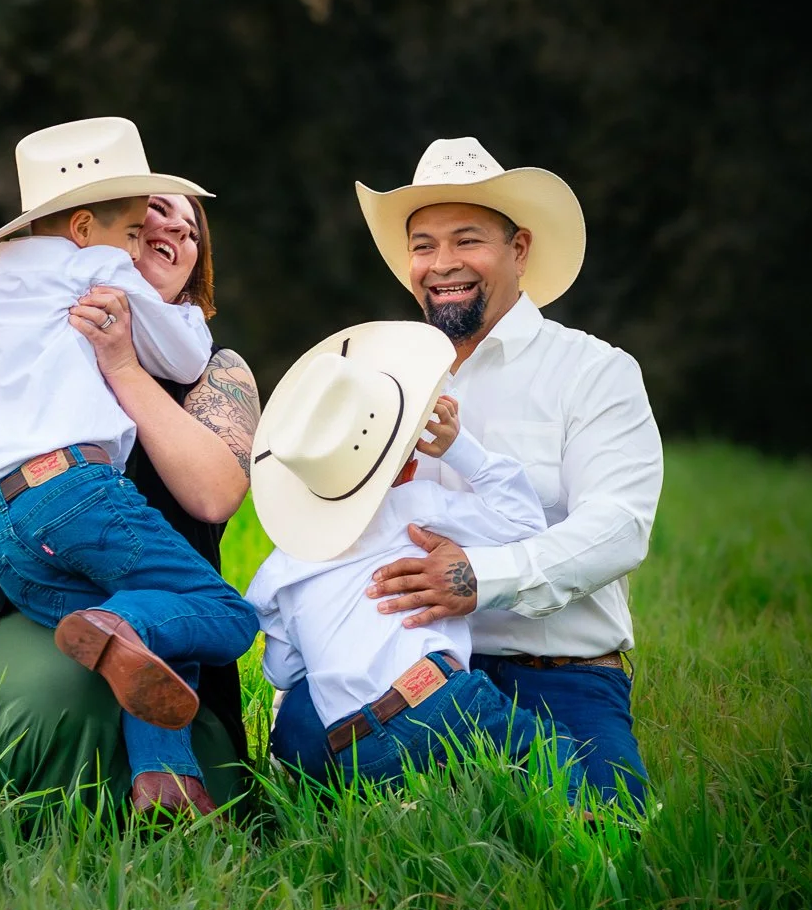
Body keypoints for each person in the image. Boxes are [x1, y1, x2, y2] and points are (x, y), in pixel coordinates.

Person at [269, 137, 664, 808]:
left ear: (520, 249)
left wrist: (479, 579)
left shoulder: (595, 372)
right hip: (395, 670)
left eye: (467, 240)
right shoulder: (371, 385)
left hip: (556, 673)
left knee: (610, 833)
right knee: (300, 775)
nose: (442, 264)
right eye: (423, 245)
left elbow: (619, 526)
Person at [0, 173, 261, 818]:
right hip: (27, 572)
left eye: (189, 229)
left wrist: (122, 361)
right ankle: (26, 805)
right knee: (93, 676)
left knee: (150, 639)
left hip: (22, 540)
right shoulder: (38, 320)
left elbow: (213, 495)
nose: (168, 228)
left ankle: (165, 783)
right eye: (149, 217)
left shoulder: (214, 368)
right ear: (90, 232)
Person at [246, 321, 580, 793]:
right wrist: (462, 450)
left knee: (395, 791)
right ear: (405, 467)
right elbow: (524, 524)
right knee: (546, 749)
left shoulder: (277, 571)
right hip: (437, 698)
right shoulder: (412, 507)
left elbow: (281, 672)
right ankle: (587, 832)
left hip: (352, 747)